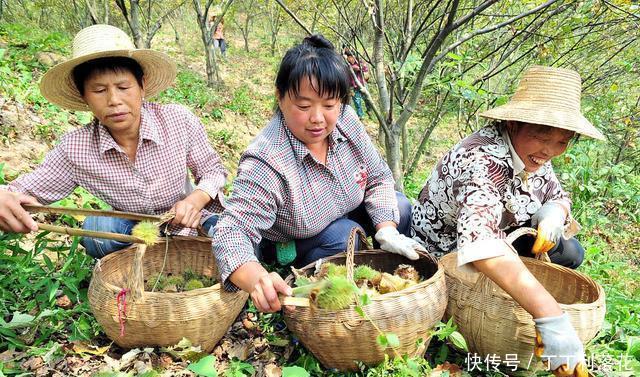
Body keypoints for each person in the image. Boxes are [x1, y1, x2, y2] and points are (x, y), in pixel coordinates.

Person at [411, 66, 604, 375]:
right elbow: (480, 245)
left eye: (562, 142)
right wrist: (550, 316)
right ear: (514, 123)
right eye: (543, 137)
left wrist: (554, 212)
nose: (549, 151)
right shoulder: (482, 159)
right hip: (448, 253)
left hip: (505, 235)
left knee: (570, 251)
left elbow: (556, 193)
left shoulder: (532, 153)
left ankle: (521, 296)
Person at [212, 35, 425, 313]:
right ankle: (342, 310)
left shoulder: (346, 120)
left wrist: (386, 229)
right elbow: (232, 230)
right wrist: (257, 279)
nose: (317, 118)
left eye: (329, 105)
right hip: (298, 240)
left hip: (346, 210)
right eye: (303, 106)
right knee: (345, 236)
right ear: (280, 96)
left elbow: (378, 177)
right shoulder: (267, 158)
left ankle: (395, 284)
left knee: (400, 207)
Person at [0, 24, 227, 258]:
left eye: (123, 87)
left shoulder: (176, 120)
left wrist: (194, 200)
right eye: (99, 90)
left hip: (189, 220)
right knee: (97, 231)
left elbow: (212, 170)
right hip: (132, 232)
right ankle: (140, 261)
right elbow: (24, 191)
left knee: (231, 236)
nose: (114, 100)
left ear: (142, 86)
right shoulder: (76, 149)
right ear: (84, 97)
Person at [345, 50, 369, 119]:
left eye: (352, 57)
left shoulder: (360, 63)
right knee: (357, 102)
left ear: (354, 56)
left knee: (367, 99)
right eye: (349, 57)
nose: (351, 59)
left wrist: (360, 69)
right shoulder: (346, 65)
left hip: (362, 85)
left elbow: (366, 72)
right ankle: (360, 116)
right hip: (353, 86)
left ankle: (369, 111)